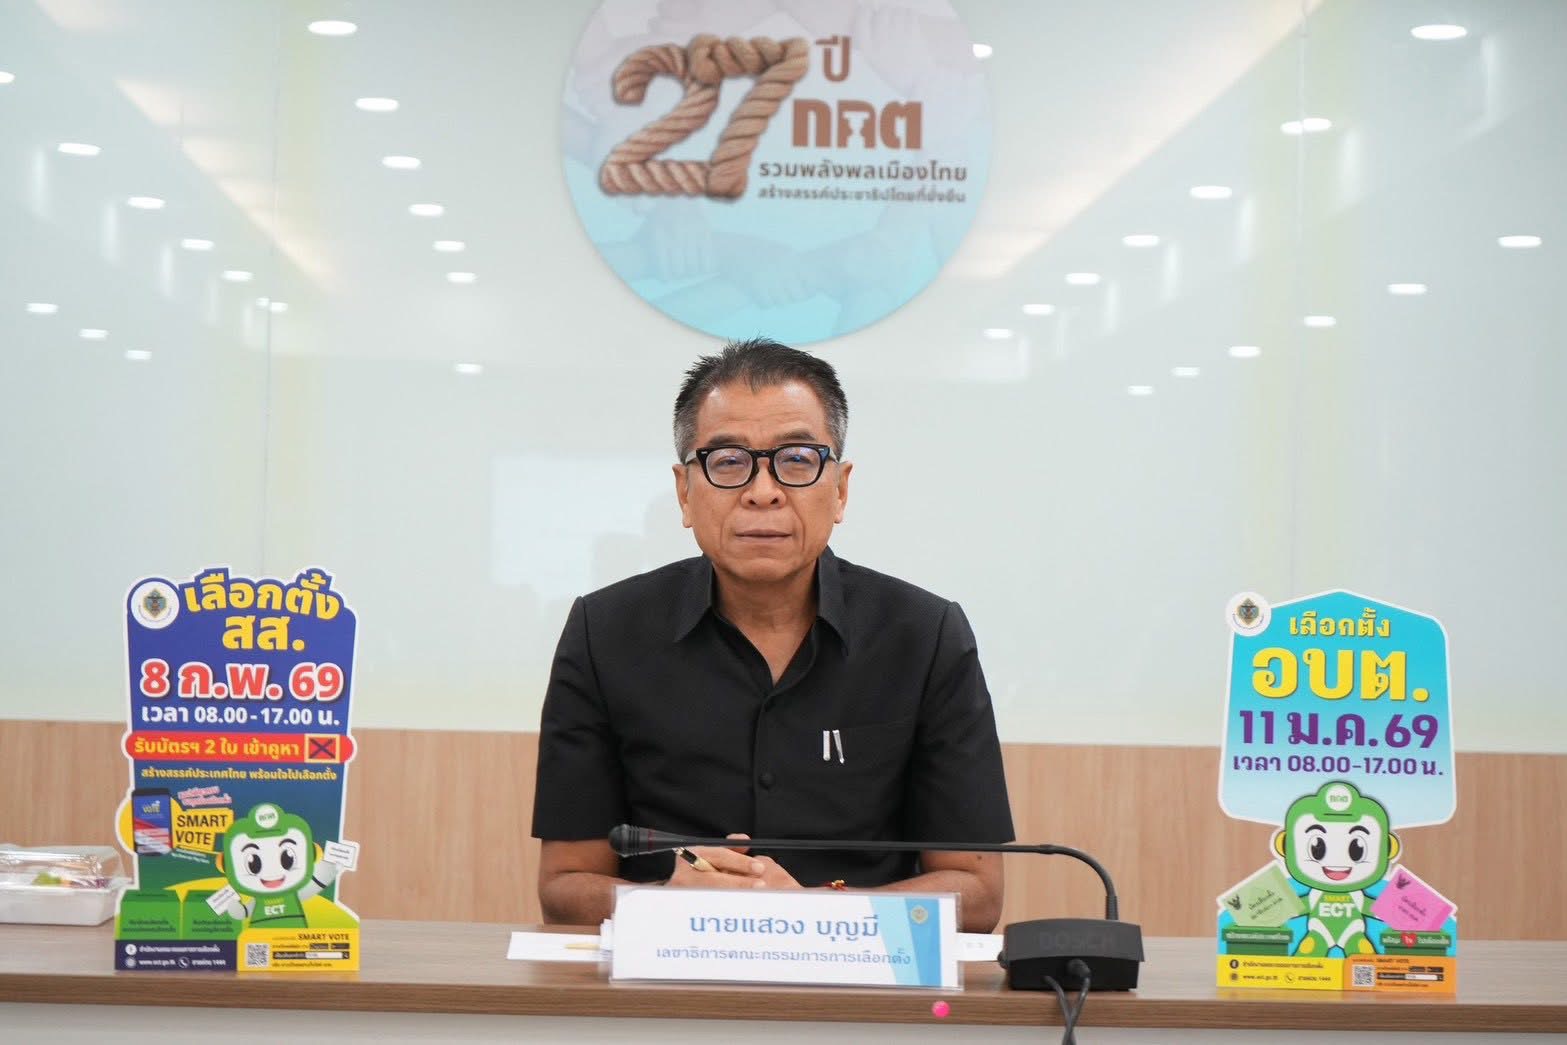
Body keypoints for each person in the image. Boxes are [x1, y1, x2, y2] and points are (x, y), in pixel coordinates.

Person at [532, 337, 1013, 931]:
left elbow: (976, 892)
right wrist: (663, 902)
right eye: (728, 461)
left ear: (840, 489)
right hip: (667, 977)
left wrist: (814, 912)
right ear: (685, 492)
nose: (763, 492)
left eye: (797, 459)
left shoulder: (925, 636)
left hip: (860, 979)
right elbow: (564, 885)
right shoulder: (604, 633)